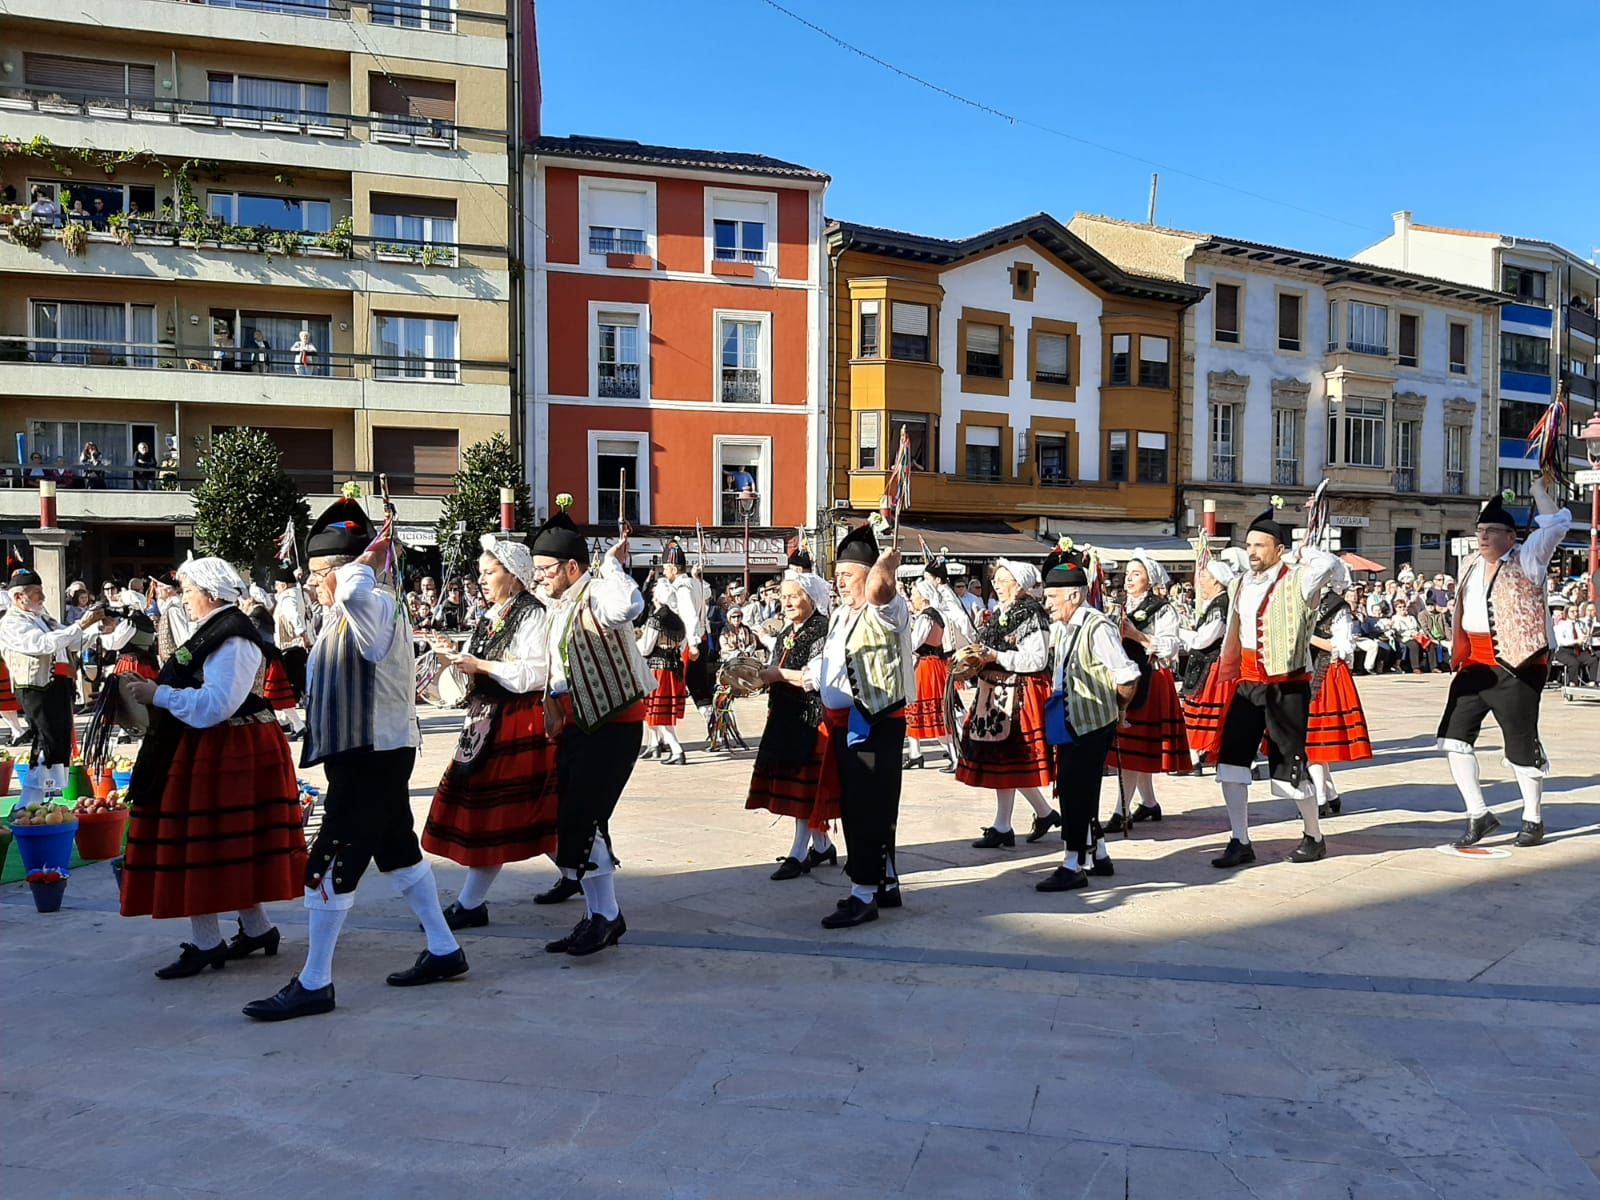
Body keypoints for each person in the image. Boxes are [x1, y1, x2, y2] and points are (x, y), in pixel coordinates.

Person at [244, 497, 464, 1022]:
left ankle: (315, 981)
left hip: (373, 753)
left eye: (320, 571)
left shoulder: (374, 602)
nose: (313, 581)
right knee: (398, 850)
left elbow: (353, 588)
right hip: (368, 750)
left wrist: (362, 562)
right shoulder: (347, 612)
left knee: (330, 860)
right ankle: (443, 949)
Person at [118, 558, 307, 979]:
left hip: (230, 748)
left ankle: (208, 943)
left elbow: (217, 704)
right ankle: (257, 929)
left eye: (187, 590)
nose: (183, 598)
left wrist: (158, 695)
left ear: (210, 593)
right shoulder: (217, 630)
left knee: (203, 841)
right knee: (224, 844)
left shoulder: (233, 637)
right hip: (215, 747)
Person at [531, 505, 651, 957]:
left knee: (583, 816)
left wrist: (614, 565)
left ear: (572, 567)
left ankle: (605, 916)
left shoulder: (598, 593)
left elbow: (630, 606)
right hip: (582, 724)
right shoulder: (559, 604)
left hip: (614, 724)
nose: (539, 576)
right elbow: (559, 664)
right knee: (582, 820)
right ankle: (602, 917)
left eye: (545, 569)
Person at [422, 535, 559, 929]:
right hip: (488, 720)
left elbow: (533, 673)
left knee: (507, 812)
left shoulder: (533, 614)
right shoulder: (492, 614)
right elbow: (483, 661)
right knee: (519, 813)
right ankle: (579, 872)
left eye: (489, 572)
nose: (481, 579)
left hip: (518, 719)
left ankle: (471, 904)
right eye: (481, 572)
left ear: (514, 576)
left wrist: (480, 665)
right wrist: (454, 653)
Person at [1439, 483, 1571, 847]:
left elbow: (1557, 526)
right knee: (1452, 739)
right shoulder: (1468, 564)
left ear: (1511, 536)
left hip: (1518, 663)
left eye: (1491, 531)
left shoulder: (1529, 557)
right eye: (1479, 531)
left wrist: (1539, 490)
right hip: (1475, 664)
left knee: (1520, 745)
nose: (1482, 537)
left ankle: (1533, 818)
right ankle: (1479, 813)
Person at [1209, 503, 1338, 869]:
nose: (1252, 552)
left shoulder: (1299, 578)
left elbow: (1328, 565)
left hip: (1287, 686)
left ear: (1278, 550)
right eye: (1249, 545)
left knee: (1289, 768)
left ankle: (1314, 835)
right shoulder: (1239, 583)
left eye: (1260, 545)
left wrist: (1303, 553)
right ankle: (1240, 840)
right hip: (1248, 683)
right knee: (1231, 764)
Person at [814, 521, 912, 929]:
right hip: (845, 723)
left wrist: (884, 568)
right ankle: (884, 882)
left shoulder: (887, 606)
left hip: (874, 722)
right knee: (868, 805)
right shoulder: (840, 615)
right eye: (836, 575)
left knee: (866, 808)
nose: (839, 582)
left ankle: (863, 894)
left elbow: (880, 593)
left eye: (847, 575)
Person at [1034, 556, 1140, 891]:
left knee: (1075, 791)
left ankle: (1072, 863)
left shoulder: (1097, 627)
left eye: (1052, 597)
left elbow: (1127, 674)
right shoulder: (1066, 627)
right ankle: (1100, 855)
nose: (1047, 603)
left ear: (1075, 596)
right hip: (1070, 720)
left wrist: (1118, 710)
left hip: (1091, 724)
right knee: (1077, 788)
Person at [957, 560, 1060, 849]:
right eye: (997, 580)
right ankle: (1034, 816)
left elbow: (1037, 659)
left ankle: (1009, 824)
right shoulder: (1002, 612)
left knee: (1010, 758)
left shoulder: (1031, 613)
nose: (997, 586)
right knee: (1005, 761)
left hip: (1019, 694)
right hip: (997, 692)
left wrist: (995, 657)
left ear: (1022, 584)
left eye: (1005, 580)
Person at [746, 574, 838, 880]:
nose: (786, 602)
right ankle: (822, 845)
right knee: (796, 785)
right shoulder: (789, 630)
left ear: (811, 599)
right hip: (786, 716)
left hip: (811, 719)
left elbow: (817, 679)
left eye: (794, 596)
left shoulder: (822, 630)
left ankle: (799, 853)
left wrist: (777, 675)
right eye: (783, 596)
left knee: (804, 787)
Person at [1107, 551, 1192, 829]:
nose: (1129, 578)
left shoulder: (1163, 608)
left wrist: (1135, 634)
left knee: (1132, 747)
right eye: (1128, 573)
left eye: (1136, 574)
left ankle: (1122, 812)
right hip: (1125, 678)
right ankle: (1149, 803)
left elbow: (1170, 647)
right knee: (1133, 746)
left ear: (1149, 579)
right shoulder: (1121, 605)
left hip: (1149, 680)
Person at [0, 569, 100, 803]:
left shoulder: (43, 617)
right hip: (36, 687)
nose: (42, 597)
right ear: (18, 597)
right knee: (46, 740)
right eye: (36, 593)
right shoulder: (11, 622)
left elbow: (70, 640)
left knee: (59, 742)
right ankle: (29, 803)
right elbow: (42, 644)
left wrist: (96, 628)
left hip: (57, 684)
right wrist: (81, 624)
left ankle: (43, 798)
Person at [1305, 563, 1372, 818]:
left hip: (1326, 675)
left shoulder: (1337, 607)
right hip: (1304, 673)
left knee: (1315, 741)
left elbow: (1342, 648)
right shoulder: (1301, 601)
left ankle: (1321, 798)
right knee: (1309, 741)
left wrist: (1307, 635)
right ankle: (1330, 795)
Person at [1178, 557, 1238, 764]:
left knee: (1206, 711)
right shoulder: (1218, 603)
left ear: (1216, 581)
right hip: (1209, 665)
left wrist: (1177, 632)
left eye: (1204, 577)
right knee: (1206, 711)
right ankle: (1197, 754)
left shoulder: (1220, 605)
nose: (1200, 581)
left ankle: (1195, 757)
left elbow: (1203, 640)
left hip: (1212, 666)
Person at [660, 543, 714, 724]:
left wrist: (692, 645)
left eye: (666, 568)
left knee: (694, 689)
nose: (664, 572)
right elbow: (706, 593)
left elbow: (690, 616)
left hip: (692, 643)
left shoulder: (682, 588)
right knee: (700, 688)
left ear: (674, 568)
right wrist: (696, 575)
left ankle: (716, 725)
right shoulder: (695, 583)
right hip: (702, 639)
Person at [637, 580, 689, 765]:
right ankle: (655, 745)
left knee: (658, 713)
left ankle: (676, 750)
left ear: (658, 597)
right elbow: (683, 645)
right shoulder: (679, 621)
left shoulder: (655, 620)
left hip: (657, 670)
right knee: (660, 712)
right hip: (674, 669)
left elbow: (645, 648)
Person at [904, 580, 953, 771]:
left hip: (926, 667)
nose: (912, 598)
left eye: (914, 594)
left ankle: (954, 754)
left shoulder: (926, 618)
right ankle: (915, 753)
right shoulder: (934, 615)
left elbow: (914, 643)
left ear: (923, 597)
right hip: (932, 664)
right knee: (915, 710)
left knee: (926, 711)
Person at [269, 566, 308, 740]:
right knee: (291, 688)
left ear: (284, 585)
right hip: (295, 647)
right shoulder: (299, 595)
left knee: (287, 689)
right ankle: (287, 722)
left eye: (277, 584)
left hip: (290, 647)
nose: (276, 588)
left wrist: (303, 634)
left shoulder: (287, 599)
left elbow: (294, 617)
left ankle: (298, 725)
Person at [1551, 602, 1595, 685]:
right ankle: (1572, 683)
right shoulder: (1561, 625)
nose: (1575, 614)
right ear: (1567, 612)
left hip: (1577, 650)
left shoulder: (1580, 624)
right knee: (1573, 662)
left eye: (1577, 611)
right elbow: (1561, 642)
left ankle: (1592, 682)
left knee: (1593, 660)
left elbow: (1582, 637)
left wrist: (1586, 638)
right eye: (1572, 611)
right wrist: (1576, 641)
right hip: (1564, 651)